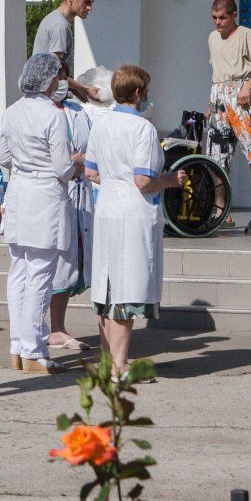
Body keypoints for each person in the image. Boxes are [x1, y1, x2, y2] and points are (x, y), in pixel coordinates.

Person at [87, 65, 186, 371]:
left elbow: (90, 171)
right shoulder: (142, 129)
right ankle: (120, 365)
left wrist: (115, 182)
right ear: (138, 93)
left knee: (106, 285)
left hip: (107, 207)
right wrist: (170, 181)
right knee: (127, 287)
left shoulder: (100, 124)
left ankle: (107, 360)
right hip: (132, 209)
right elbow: (143, 181)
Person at [0, 53, 83, 375]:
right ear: (48, 80)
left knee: (18, 271)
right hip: (45, 193)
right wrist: (76, 161)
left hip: (18, 191)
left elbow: (4, 156)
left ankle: (18, 346)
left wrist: (28, 162)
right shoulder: (52, 114)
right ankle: (33, 350)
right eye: (57, 76)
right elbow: (62, 167)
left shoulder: (12, 111)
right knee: (40, 276)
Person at [207, 0, 251, 234]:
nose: (218, 22)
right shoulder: (213, 38)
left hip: (241, 93)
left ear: (234, 15)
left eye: (222, 17)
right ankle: (221, 212)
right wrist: (211, 103)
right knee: (217, 158)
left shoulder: (246, 34)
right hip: (219, 96)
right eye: (214, 17)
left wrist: (248, 86)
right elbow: (217, 71)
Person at [47, 79, 93, 353]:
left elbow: (94, 146)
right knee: (50, 261)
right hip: (52, 194)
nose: (61, 82)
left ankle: (58, 328)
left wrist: (81, 159)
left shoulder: (78, 111)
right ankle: (38, 330)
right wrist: (71, 161)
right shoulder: (36, 112)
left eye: (64, 75)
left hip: (79, 191)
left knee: (70, 259)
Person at [31, 0, 101, 102]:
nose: (90, 8)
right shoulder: (60, 26)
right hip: (46, 99)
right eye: (86, 2)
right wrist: (84, 89)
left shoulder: (56, 20)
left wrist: (77, 91)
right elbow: (55, 74)